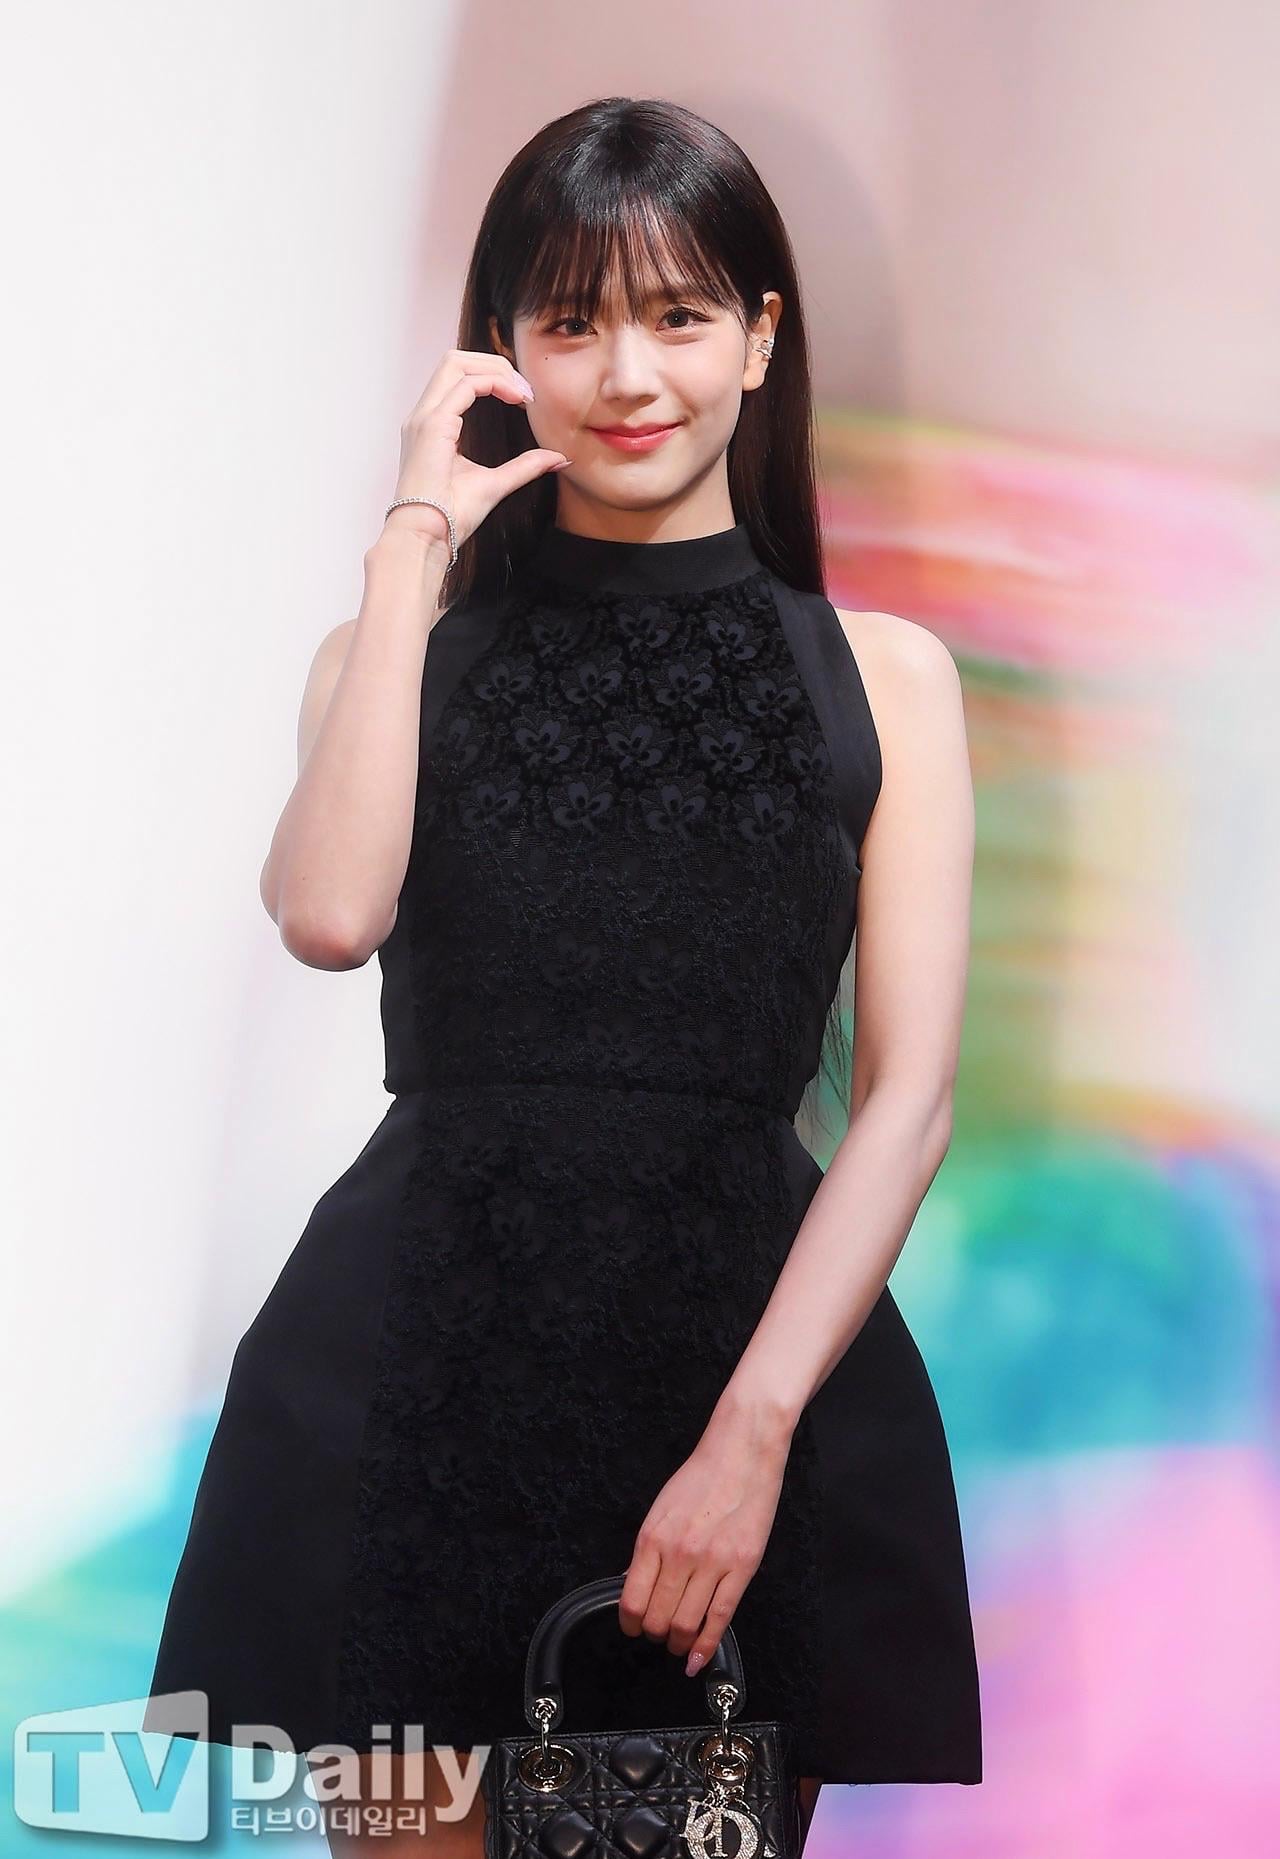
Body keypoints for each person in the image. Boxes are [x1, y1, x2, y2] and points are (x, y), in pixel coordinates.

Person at [143, 96, 981, 1856]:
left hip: (737, 1378)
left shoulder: (885, 679)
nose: (627, 373)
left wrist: (751, 1439)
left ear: (760, 337)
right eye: (572, 320)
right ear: (503, 350)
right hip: (417, 1371)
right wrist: (411, 540)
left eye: (678, 315)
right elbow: (329, 916)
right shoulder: (392, 649)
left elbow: (907, 1100)